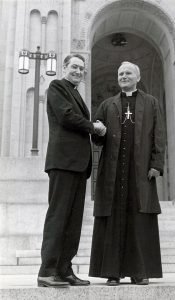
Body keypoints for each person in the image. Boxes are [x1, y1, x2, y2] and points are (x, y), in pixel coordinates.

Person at [89, 61, 165, 286]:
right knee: (113, 219)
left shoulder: (151, 103)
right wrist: (98, 130)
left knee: (139, 219)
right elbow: (97, 136)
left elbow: (159, 136)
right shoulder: (108, 104)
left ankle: (139, 272)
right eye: (120, 73)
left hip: (141, 172)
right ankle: (112, 272)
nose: (123, 76)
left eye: (128, 73)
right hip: (113, 171)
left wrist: (156, 164)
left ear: (138, 77)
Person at [37, 54, 106, 287]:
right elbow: (66, 117)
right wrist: (94, 128)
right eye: (74, 67)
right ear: (64, 67)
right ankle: (47, 271)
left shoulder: (75, 92)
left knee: (73, 221)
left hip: (78, 165)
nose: (78, 71)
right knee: (58, 217)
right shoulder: (57, 86)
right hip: (63, 162)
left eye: (81, 68)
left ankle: (65, 270)